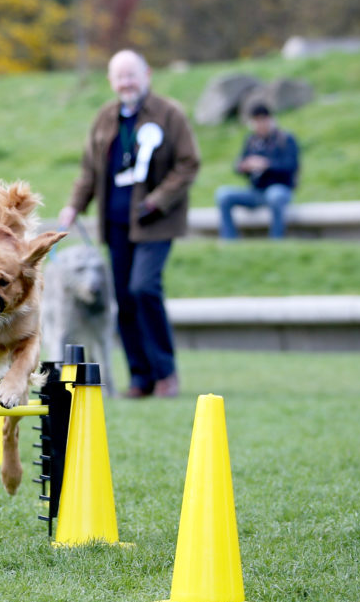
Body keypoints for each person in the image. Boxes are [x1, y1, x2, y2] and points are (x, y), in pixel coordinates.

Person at [57, 50, 200, 399]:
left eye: (131, 75)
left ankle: (166, 373)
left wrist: (157, 200)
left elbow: (188, 164)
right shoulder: (105, 118)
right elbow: (89, 170)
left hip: (156, 223)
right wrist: (74, 207)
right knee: (123, 297)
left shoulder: (169, 114)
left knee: (144, 288)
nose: (126, 83)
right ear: (111, 81)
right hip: (116, 225)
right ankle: (140, 377)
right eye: (119, 77)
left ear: (147, 74)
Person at [215, 103, 300, 239]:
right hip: (255, 191)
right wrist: (244, 166)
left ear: (271, 120)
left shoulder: (285, 139)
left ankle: (276, 241)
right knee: (223, 195)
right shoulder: (251, 141)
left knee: (275, 196)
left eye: (263, 120)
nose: (260, 125)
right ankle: (229, 240)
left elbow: (291, 166)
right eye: (256, 121)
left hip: (279, 189)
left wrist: (267, 165)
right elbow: (238, 166)